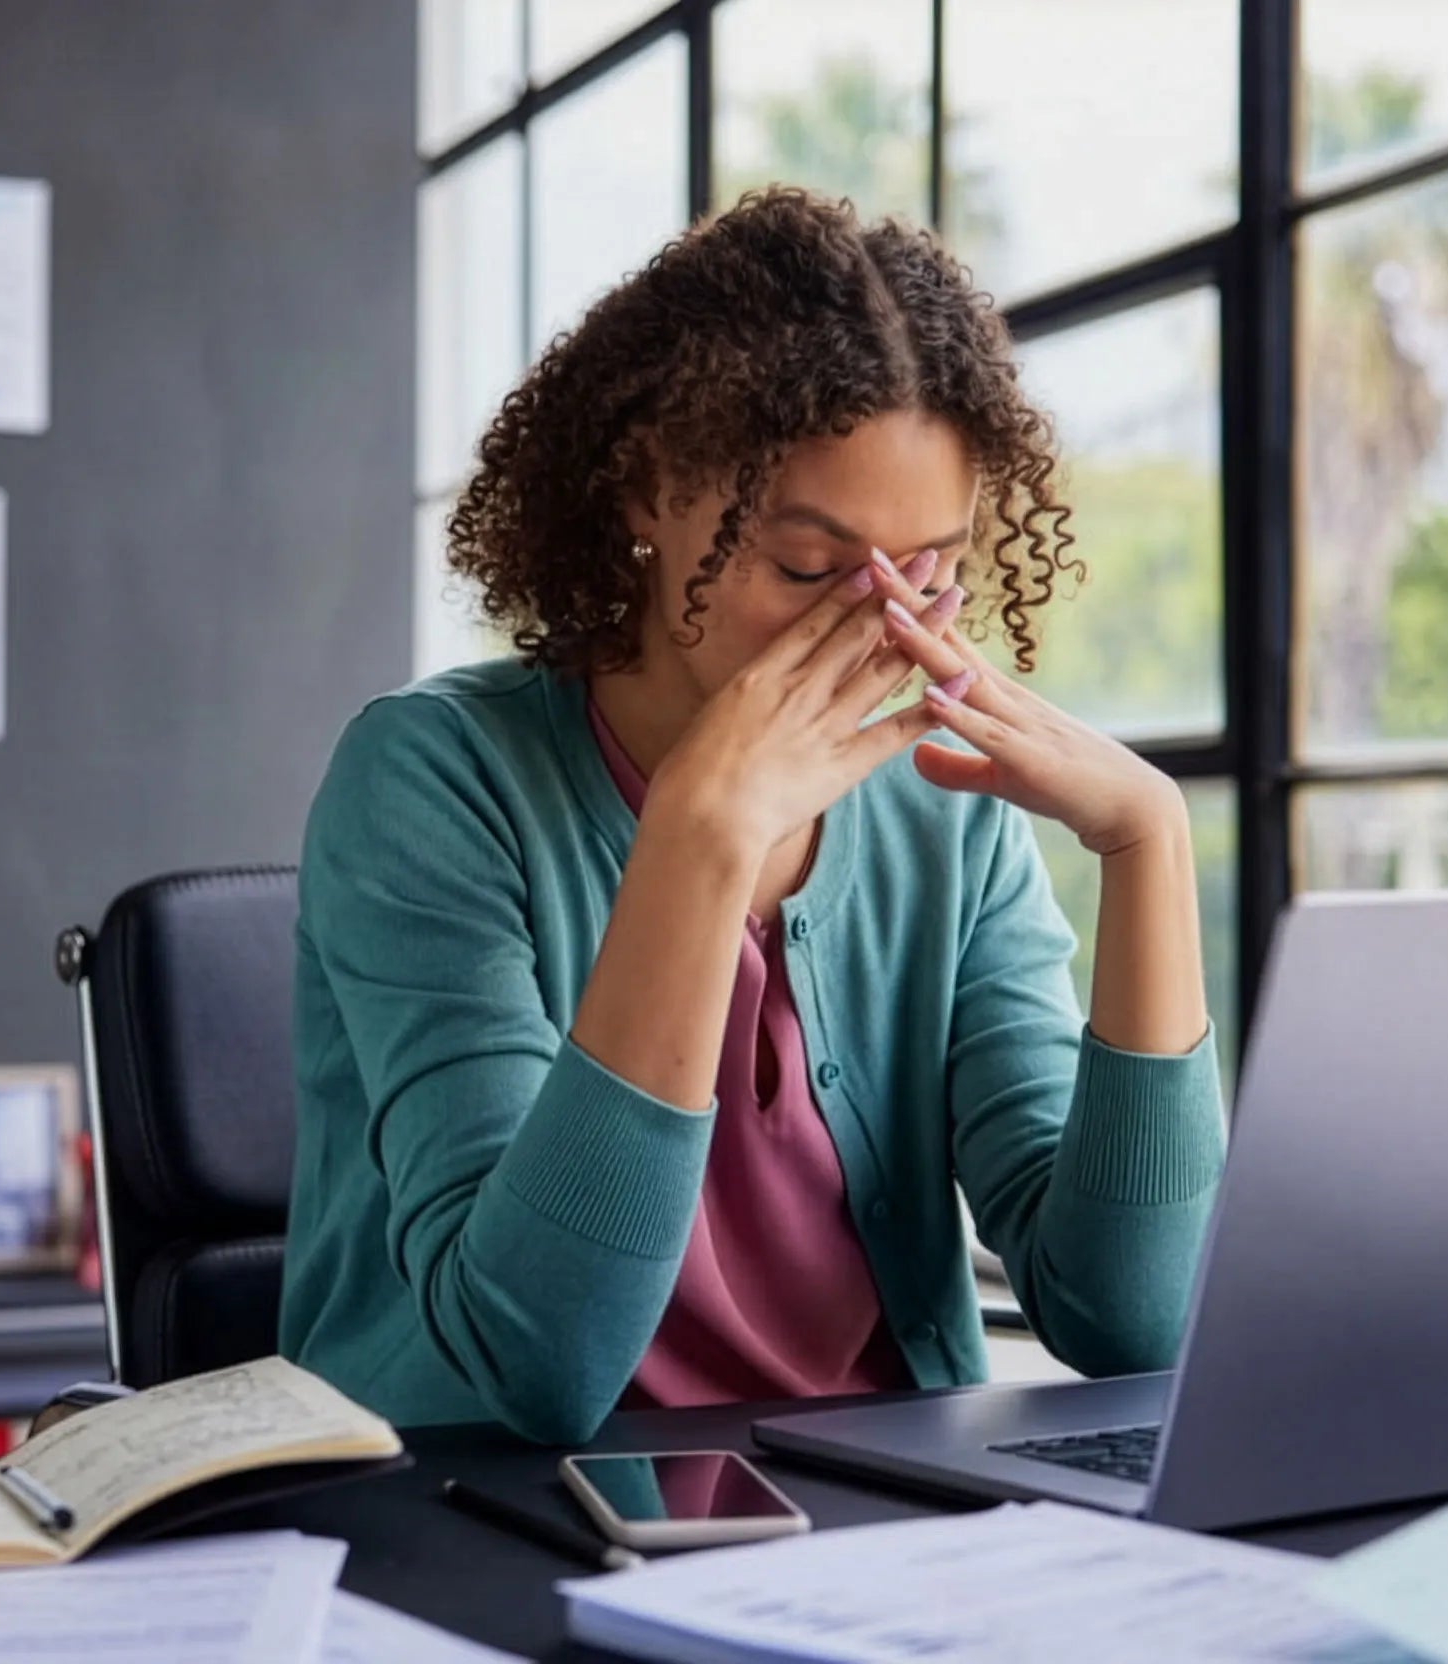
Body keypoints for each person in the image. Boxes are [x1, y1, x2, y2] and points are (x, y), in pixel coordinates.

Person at [280, 188, 1226, 1444]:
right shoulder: (430, 780)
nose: (881, 628)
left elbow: (1134, 1319)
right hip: (496, 1516)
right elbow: (534, 1361)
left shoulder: (944, 812)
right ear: (645, 496)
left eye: (929, 572)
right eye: (807, 568)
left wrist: (1146, 843)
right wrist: (700, 839)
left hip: (889, 1525)